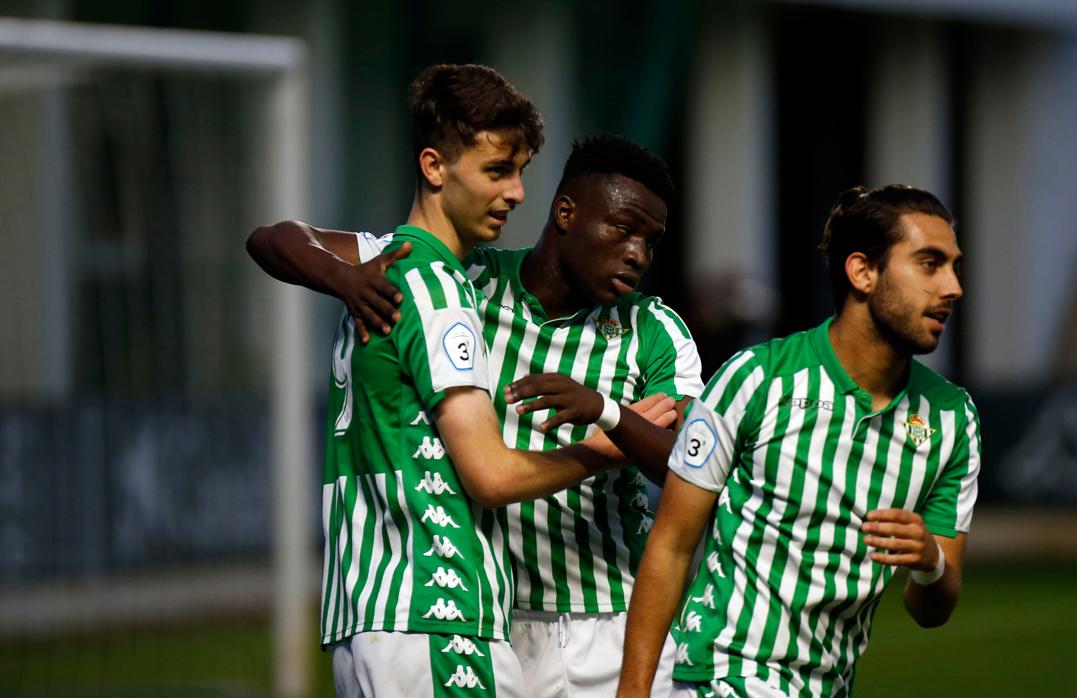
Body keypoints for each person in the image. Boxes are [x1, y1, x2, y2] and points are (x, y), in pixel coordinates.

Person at [254, 63, 677, 698]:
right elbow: (491, 475)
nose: (515, 193)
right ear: (434, 167)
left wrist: (344, 280)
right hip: (440, 608)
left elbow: (280, 237)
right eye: (497, 171)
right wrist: (602, 446)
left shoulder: (388, 268)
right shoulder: (444, 289)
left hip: (371, 609)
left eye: (520, 173)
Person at [617, 185, 981, 698]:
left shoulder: (952, 418)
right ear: (863, 272)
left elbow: (934, 608)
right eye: (929, 264)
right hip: (723, 675)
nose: (953, 287)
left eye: (953, 267)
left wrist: (929, 562)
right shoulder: (757, 379)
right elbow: (671, 546)